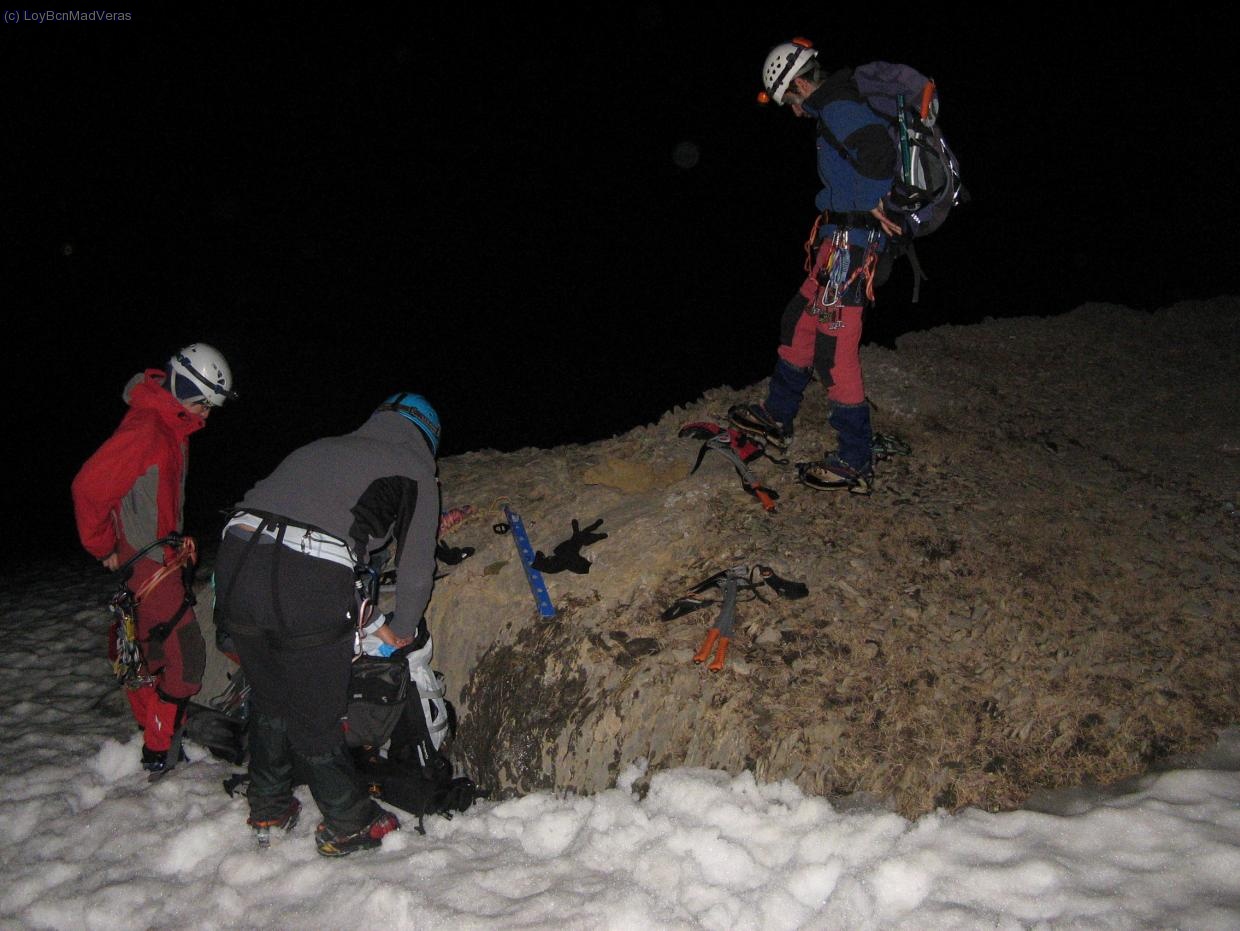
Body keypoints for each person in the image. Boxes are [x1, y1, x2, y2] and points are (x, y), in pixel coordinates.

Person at [212, 392, 441, 857]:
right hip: (307, 579)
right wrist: (400, 626)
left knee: (272, 690)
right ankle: (350, 821)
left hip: (235, 561)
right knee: (315, 712)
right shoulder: (416, 469)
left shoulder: (318, 448)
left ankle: (270, 804)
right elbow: (416, 569)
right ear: (427, 436)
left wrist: (367, 612)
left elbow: (306, 526)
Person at [730, 38, 905, 495]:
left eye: (791, 98)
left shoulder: (840, 109)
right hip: (837, 242)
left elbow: (883, 156)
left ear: (802, 83)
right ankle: (777, 416)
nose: (793, 110)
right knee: (798, 322)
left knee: (833, 351)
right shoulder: (835, 108)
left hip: (853, 247)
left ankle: (855, 457)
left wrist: (881, 208)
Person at [72, 343, 237, 773]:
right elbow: (89, 488)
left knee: (152, 654)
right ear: (183, 385)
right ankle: (160, 749)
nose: (205, 415)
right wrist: (103, 545)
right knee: (186, 661)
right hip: (148, 564)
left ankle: (157, 740)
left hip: (159, 558)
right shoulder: (148, 429)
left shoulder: (169, 425)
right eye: (202, 403)